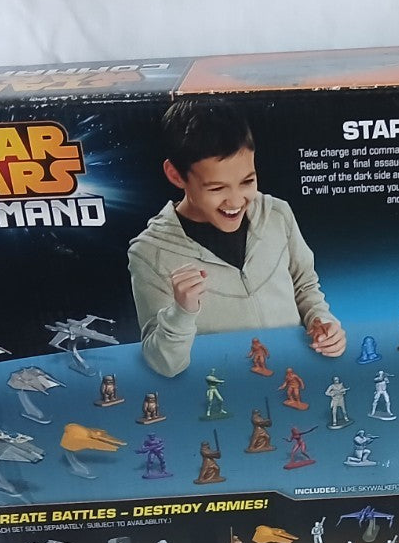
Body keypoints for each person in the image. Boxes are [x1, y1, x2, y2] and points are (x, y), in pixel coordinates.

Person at [129, 97, 345, 377]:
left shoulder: (277, 214)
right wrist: (181, 312)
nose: (235, 201)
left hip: (294, 373)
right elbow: (164, 365)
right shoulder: (149, 253)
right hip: (226, 386)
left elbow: (304, 285)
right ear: (176, 175)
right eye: (216, 188)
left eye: (247, 181)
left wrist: (321, 321)